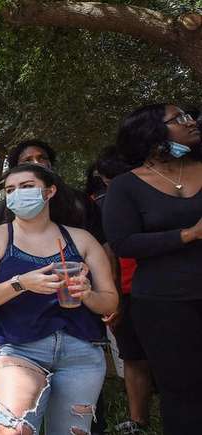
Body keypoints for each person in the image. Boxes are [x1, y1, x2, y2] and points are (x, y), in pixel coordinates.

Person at [0, 164, 118, 434]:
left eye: (27, 187)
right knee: (12, 430)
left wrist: (87, 294)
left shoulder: (81, 239)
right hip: (17, 348)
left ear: (50, 191)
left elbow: (109, 302)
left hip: (80, 351)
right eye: (10, 190)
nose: (17, 194)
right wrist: (21, 283)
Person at [104, 103, 202, 434]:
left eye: (189, 116)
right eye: (179, 119)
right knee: (181, 390)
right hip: (164, 303)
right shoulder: (126, 186)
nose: (190, 122)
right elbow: (123, 243)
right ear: (152, 133)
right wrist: (188, 235)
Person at [89, 149, 152, 434]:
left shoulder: (158, 197)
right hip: (124, 291)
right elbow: (108, 254)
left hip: (163, 288)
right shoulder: (102, 205)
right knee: (133, 356)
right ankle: (138, 421)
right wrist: (111, 297)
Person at [0, 140, 103, 244]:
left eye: (42, 158)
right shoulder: (0, 212)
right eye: (27, 160)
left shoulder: (80, 201)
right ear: (17, 168)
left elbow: (102, 243)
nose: (36, 163)